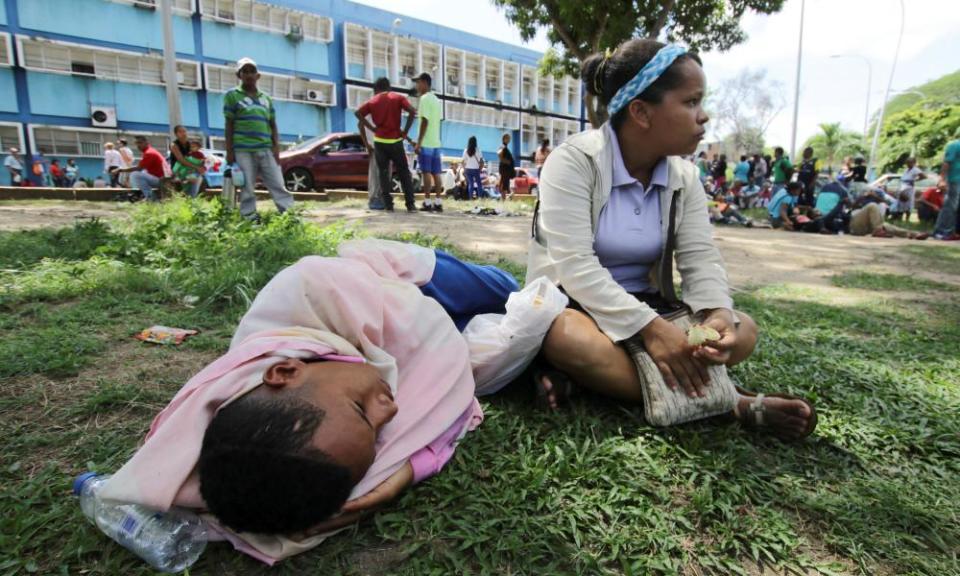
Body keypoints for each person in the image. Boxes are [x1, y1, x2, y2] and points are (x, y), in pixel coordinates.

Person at [98, 239, 518, 563]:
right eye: (378, 434)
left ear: (285, 372)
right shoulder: (319, 428)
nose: (390, 411)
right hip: (429, 333)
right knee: (516, 329)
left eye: (359, 408)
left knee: (506, 289)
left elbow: (432, 342)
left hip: (411, 282)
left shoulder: (312, 293)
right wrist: (401, 477)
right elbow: (434, 410)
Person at [527, 38, 816, 440]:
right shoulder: (575, 161)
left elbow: (700, 258)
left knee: (743, 330)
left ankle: (590, 383)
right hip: (575, 304)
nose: (704, 116)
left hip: (650, 306)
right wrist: (651, 330)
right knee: (565, 338)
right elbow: (575, 268)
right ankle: (732, 403)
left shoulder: (684, 177)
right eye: (691, 102)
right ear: (641, 112)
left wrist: (716, 313)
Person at [224, 57, 295, 221]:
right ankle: (249, 217)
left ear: (258, 76)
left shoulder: (266, 98)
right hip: (243, 149)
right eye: (245, 71)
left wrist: (276, 148)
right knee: (247, 186)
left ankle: (289, 215)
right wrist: (230, 151)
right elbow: (229, 124)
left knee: (277, 183)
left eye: (252, 71)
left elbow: (273, 124)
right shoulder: (232, 96)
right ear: (239, 75)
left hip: (265, 148)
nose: (249, 75)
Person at [356, 77, 418, 213]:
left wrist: (372, 128)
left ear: (376, 89)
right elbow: (413, 111)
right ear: (389, 87)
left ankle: (388, 205)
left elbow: (358, 113)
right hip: (395, 142)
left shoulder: (373, 101)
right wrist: (405, 131)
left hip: (379, 143)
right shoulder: (398, 98)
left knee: (383, 174)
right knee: (404, 173)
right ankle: (410, 204)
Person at [411, 72, 444, 212]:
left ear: (425, 83)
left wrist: (418, 142)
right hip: (436, 142)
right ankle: (438, 202)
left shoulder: (424, 99)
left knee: (426, 172)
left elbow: (424, 121)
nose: (417, 86)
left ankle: (427, 202)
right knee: (436, 173)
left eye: (418, 82)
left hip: (426, 142)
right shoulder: (436, 100)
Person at [112, 135, 167, 201]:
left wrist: (120, 170)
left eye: (140, 143)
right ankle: (144, 195)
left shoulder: (149, 153)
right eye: (137, 143)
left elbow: (139, 168)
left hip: (162, 180)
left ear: (146, 143)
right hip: (159, 178)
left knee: (135, 175)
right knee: (142, 172)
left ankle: (151, 198)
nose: (138, 145)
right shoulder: (149, 151)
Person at [357, 102, 384, 210]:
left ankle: (381, 198)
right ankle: (374, 199)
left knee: (383, 174)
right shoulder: (370, 110)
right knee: (375, 174)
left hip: (383, 146)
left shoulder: (385, 111)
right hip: (374, 146)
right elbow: (360, 124)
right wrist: (366, 144)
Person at [933, 133, 960, 241]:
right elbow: (946, 163)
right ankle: (942, 231)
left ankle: (951, 231)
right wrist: (942, 179)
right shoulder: (955, 145)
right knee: (950, 206)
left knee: (955, 207)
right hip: (953, 180)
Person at [169, 125, 205, 198]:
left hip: (189, 168)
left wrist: (201, 165)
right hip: (178, 169)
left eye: (184, 131)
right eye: (180, 132)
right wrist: (196, 167)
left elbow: (197, 156)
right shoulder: (174, 145)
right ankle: (191, 199)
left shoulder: (190, 144)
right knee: (195, 177)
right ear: (176, 134)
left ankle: (191, 198)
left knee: (200, 175)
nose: (183, 133)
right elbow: (181, 160)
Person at [461, 136, 485, 200]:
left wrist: (464, 168)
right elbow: (481, 161)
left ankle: (470, 198)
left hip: (468, 169)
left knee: (471, 184)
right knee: (479, 184)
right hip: (476, 169)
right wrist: (480, 169)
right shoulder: (478, 150)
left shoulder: (466, 150)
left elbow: (463, 161)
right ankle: (480, 198)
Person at [497, 133, 515, 201]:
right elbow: (499, 153)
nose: (509, 140)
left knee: (505, 185)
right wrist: (504, 161)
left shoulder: (505, 147)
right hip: (504, 169)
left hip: (506, 170)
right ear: (504, 139)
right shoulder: (503, 146)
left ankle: (504, 199)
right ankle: (503, 200)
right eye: (508, 138)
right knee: (504, 185)